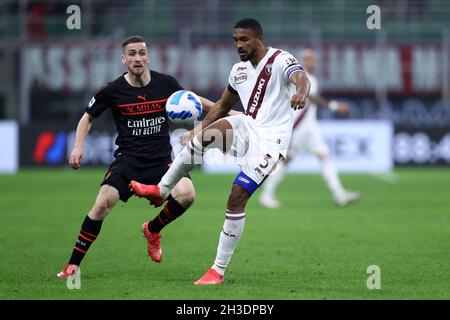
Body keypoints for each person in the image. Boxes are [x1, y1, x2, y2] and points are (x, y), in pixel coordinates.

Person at [130, 18, 310, 285]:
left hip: (271, 141)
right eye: (235, 40)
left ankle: (217, 270)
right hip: (248, 126)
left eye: (244, 40)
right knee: (204, 137)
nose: (238, 45)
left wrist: (301, 92)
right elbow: (221, 107)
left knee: (236, 197)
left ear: (259, 39)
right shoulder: (237, 71)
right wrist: (198, 129)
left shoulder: (281, 60)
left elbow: (301, 78)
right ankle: (162, 189)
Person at [57, 35, 215, 279]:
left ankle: (153, 230)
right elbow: (87, 117)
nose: (137, 57)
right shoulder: (113, 90)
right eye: (132, 53)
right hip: (128, 160)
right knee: (100, 206)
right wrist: (78, 145)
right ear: (124, 59)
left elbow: (194, 100)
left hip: (162, 160)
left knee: (188, 195)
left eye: (142, 52)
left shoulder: (165, 84)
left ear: (148, 57)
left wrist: (226, 109)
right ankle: (72, 266)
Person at [259, 49, 361, 209]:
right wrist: (334, 106)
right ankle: (266, 195)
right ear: (303, 61)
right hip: (298, 127)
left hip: (310, 127)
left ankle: (339, 194)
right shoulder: (301, 77)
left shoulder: (310, 78)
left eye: (313, 60)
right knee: (286, 160)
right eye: (307, 60)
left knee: (324, 156)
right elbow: (311, 97)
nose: (311, 62)